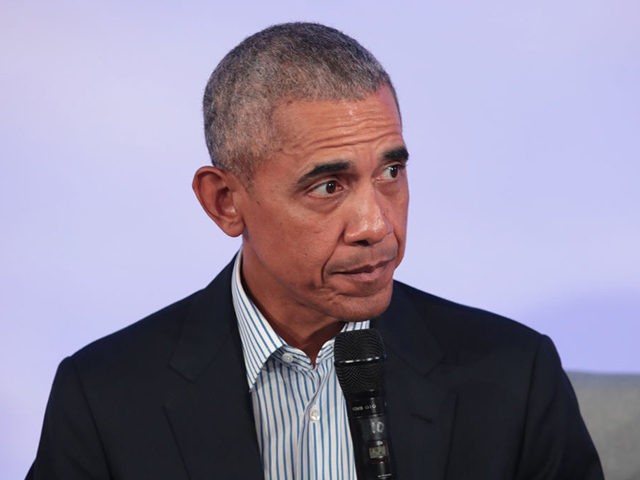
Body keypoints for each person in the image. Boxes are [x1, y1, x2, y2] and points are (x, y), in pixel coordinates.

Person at [28, 22, 603, 479]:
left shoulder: (515, 376)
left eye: (391, 171)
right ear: (225, 201)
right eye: (329, 186)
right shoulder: (105, 397)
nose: (375, 225)